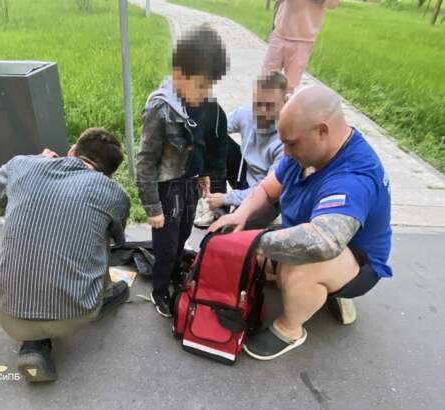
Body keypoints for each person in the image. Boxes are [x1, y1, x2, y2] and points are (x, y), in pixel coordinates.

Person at [210, 85, 392, 360]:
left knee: (296, 271)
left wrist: (253, 242)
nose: (285, 151)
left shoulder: (353, 177)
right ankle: (322, 292)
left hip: (354, 257)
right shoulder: (307, 150)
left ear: (322, 130)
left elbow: (322, 242)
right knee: (249, 259)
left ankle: (290, 328)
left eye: (291, 143)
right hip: (312, 233)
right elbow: (267, 189)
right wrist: (241, 215)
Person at [0, 128, 131, 382]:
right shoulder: (113, 192)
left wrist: (37, 161)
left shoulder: (25, 165)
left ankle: (34, 343)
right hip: (77, 314)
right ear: (111, 174)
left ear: (72, 151)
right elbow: (118, 239)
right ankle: (104, 296)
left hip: (7, 312)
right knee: (100, 237)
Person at [136, 25, 229, 318]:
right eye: (202, 86)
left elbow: (197, 145)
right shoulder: (161, 110)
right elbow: (146, 160)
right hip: (167, 190)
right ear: (179, 75)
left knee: (184, 236)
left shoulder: (201, 105)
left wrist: (202, 174)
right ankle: (160, 288)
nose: (206, 93)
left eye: (210, 86)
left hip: (188, 186)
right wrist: (152, 206)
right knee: (165, 244)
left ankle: (175, 270)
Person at [196, 71, 287, 229]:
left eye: (270, 106)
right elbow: (213, 130)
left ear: (284, 102)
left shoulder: (287, 138)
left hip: (269, 197)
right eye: (258, 104)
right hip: (244, 179)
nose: (262, 112)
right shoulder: (246, 114)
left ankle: (224, 203)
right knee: (217, 137)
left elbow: (270, 189)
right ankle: (215, 205)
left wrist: (228, 198)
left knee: (229, 232)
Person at [262, 0, 340, 91]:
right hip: (279, 34)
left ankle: (286, 102)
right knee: (268, 76)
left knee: (290, 82)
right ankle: (265, 103)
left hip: (303, 41)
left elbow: (332, 4)